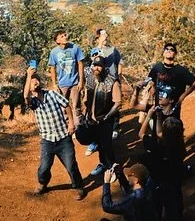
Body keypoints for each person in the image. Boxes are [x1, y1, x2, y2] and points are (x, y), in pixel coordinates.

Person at [24, 63, 85, 200]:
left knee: (71, 165)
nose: (36, 82)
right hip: (47, 140)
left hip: (63, 137)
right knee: (44, 167)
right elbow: (25, 97)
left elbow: (66, 105)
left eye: (36, 79)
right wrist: (29, 76)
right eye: (33, 81)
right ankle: (43, 183)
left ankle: (78, 186)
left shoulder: (51, 94)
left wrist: (71, 123)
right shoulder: (33, 102)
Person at [82, 49, 122, 178]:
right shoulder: (90, 80)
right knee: (98, 142)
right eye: (94, 65)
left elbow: (117, 103)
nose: (96, 68)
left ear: (104, 67)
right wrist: (86, 114)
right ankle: (102, 164)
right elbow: (85, 98)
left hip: (105, 119)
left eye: (99, 65)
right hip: (92, 118)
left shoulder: (112, 81)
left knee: (107, 145)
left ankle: (112, 168)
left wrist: (106, 116)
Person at [87, 28, 122, 156]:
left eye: (106, 34)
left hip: (111, 80)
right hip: (99, 81)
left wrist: (118, 75)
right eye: (102, 35)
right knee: (98, 105)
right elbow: (95, 60)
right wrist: (100, 43)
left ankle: (114, 128)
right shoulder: (95, 50)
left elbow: (119, 62)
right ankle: (95, 141)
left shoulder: (113, 50)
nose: (105, 36)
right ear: (97, 37)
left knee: (113, 105)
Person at [146, 42, 195, 119]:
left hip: (173, 111)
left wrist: (182, 96)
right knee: (157, 129)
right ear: (163, 53)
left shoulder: (180, 70)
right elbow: (152, 83)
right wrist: (150, 98)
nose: (169, 50)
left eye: (172, 49)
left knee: (172, 129)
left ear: (175, 54)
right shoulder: (157, 67)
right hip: (158, 110)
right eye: (166, 49)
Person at [48, 30, 86, 127]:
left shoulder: (75, 48)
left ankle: (78, 128)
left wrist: (81, 81)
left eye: (65, 35)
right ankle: (67, 127)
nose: (65, 37)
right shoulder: (54, 52)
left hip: (75, 83)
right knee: (63, 107)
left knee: (76, 106)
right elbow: (52, 67)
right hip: (62, 84)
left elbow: (80, 64)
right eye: (62, 36)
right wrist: (54, 84)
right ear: (57, 41)